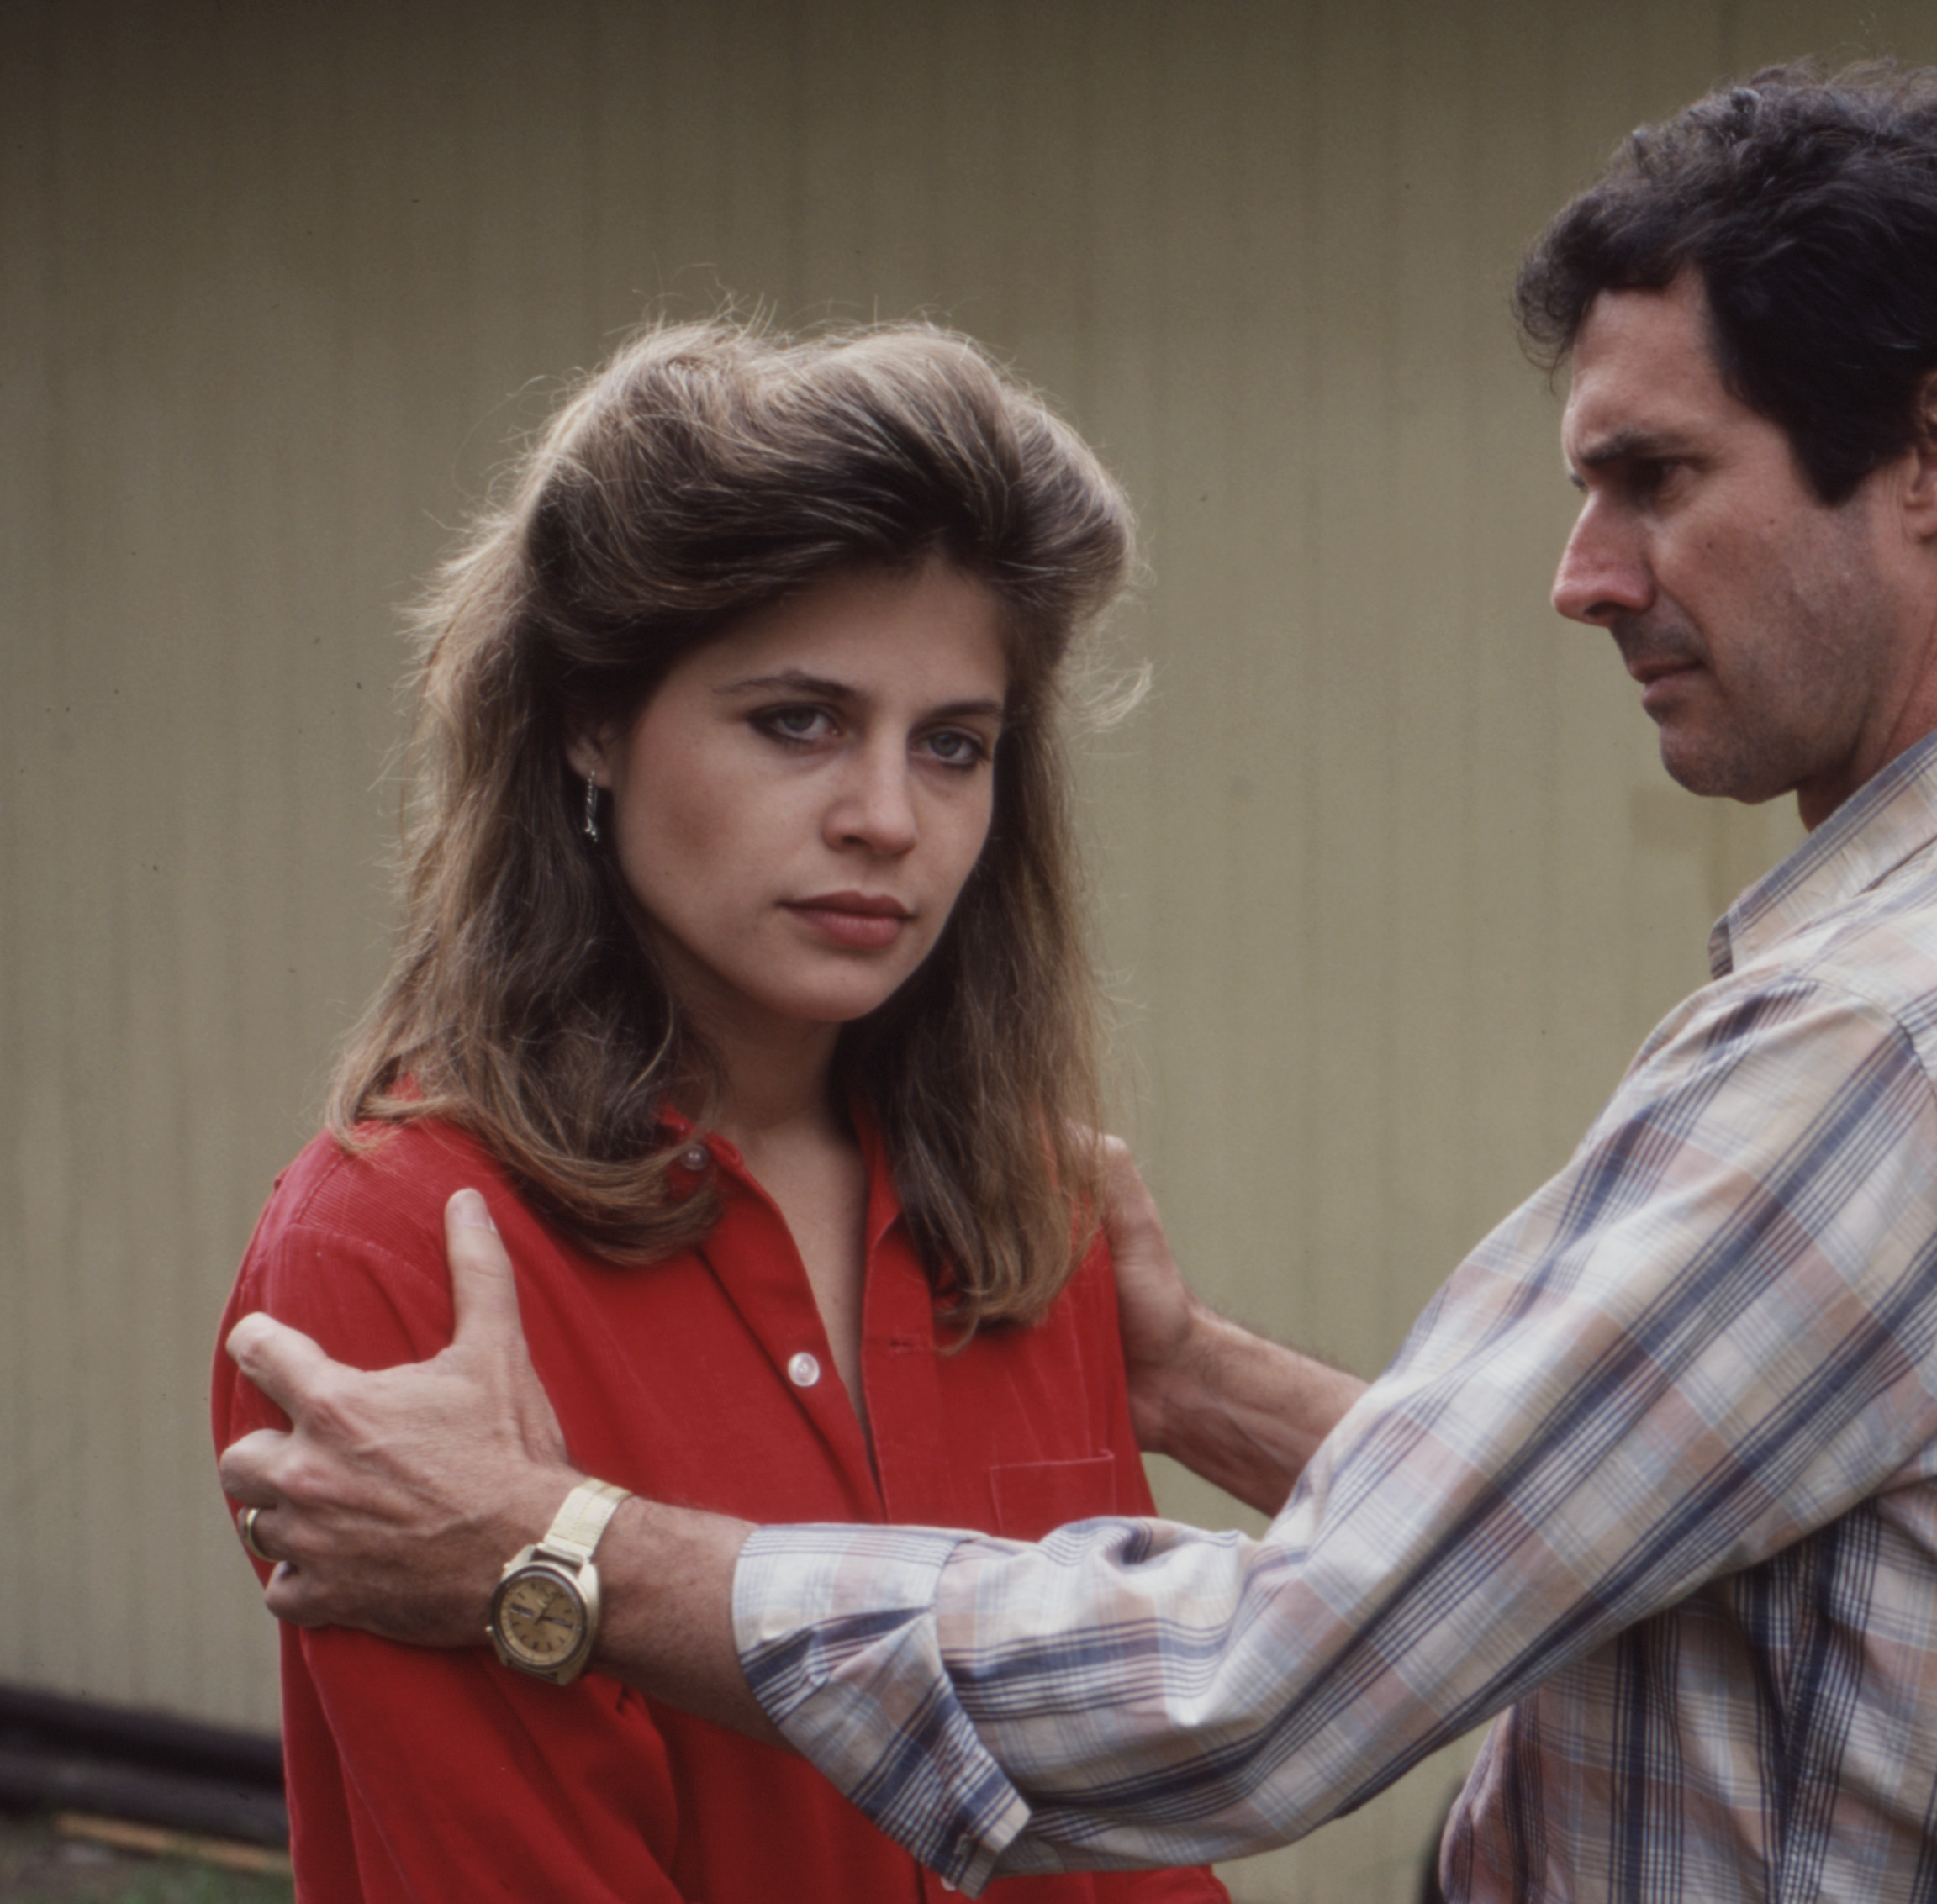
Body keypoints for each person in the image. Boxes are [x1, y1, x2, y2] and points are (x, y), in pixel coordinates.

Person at [219, 61, 1937, 1902]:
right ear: (591, 726)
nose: (1582, 574)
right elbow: (1635, 1545)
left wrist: (557, 1549)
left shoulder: (1911, 1032)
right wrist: (1194, 1379)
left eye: (1655, 476)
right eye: (797, 719)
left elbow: (1271, 1685)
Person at [208, 319, 1227, 1904]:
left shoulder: (1029, 1211)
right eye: (797, 721)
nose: (889, 819)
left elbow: (1133, 1820)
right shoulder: (399, 1251)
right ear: (591, 720)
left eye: (953, 746)